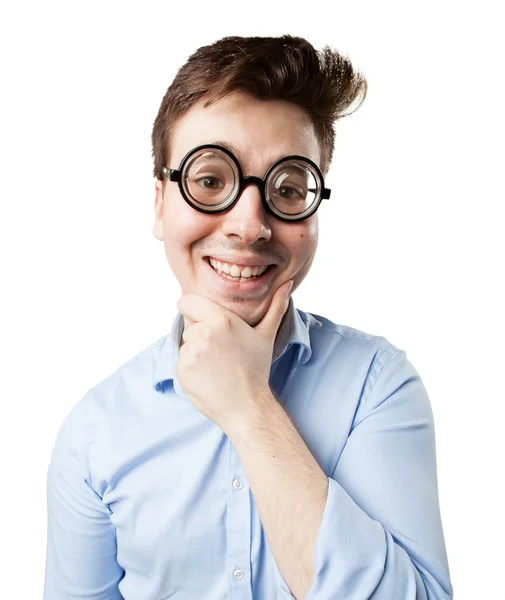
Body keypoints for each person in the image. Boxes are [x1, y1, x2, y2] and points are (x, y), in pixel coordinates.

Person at [43, 34, 453, 600]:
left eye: (288, 189)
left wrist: (249, 407)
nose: (249, 225)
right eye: (210, 181)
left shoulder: (377, 388)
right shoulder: (94, 435)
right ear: (160, 204)